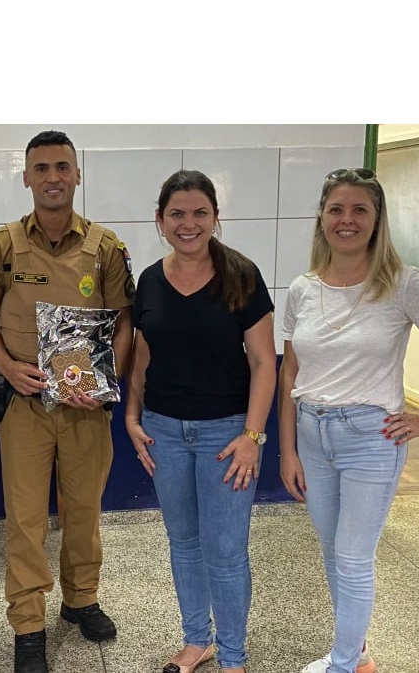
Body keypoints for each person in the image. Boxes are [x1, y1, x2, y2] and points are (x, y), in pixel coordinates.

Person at [278, 168, 419, 673]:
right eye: (336, 209)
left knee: (353, 557)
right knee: (333, 552)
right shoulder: (302, 288)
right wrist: (287, 450)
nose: (346, 220)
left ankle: (344, 664)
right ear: (322, 217)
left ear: (376, 219)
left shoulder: (402, 283)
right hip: (311, 433)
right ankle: (358, 652)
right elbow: (290, 373)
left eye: (359, 210)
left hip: (370, 437)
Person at [0, 130, 135, 673]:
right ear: (26, 177)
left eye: (62, 166)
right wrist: (7, 366)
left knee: (84, 511)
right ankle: (28, 625)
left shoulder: (106, 248)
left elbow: (124, 322)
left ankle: (81, 599)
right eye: (41, 168)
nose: (53, 177)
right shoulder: (2, 245)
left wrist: (104, 382)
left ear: (77, 174)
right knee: (25, 520)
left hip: (87, 406)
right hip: (27, 405)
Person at [125, 170, 276, 673]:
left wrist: (252, 435)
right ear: (160, 219)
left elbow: (264, 363)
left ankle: (233, 656)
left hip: (227, 435)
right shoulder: (149, 280)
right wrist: (132, 416)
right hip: (164, 433)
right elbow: (142, 356)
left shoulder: (242, 276)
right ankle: (197, 640)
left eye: (199, 213)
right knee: (184, 544)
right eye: (177, 214)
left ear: (215, 217)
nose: (188, 224)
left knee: (226, 552)